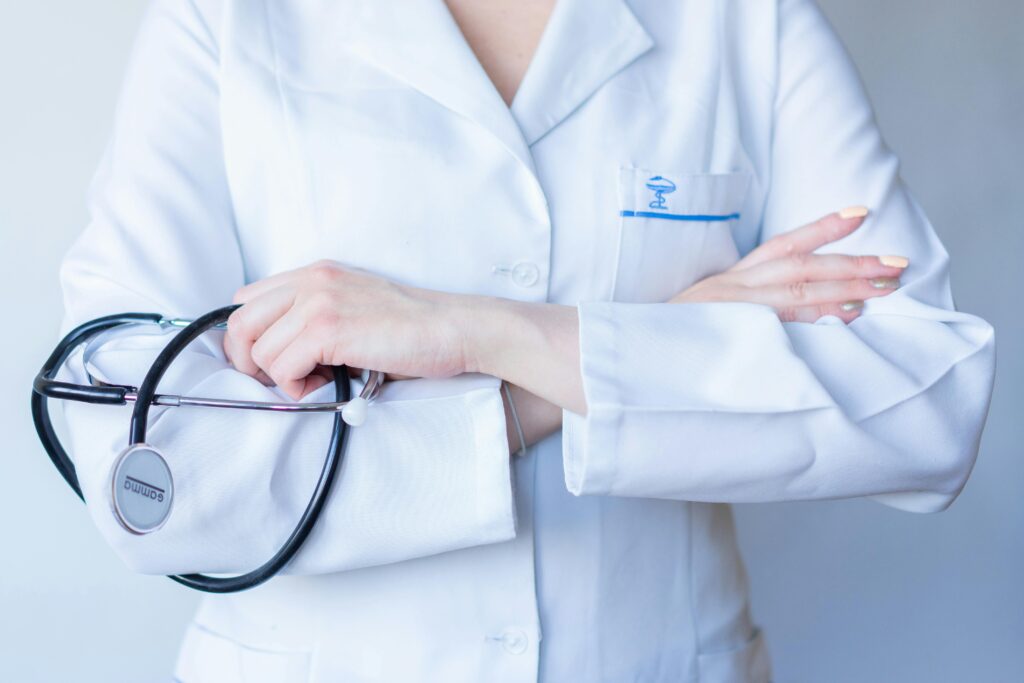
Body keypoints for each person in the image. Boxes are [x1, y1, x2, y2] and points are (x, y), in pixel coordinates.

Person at [54, 0, 997, 680]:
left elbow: (927, 400)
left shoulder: (748, 22)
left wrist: (482, 330)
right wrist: (572, 378)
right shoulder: (224, 21)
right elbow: (152, 471)